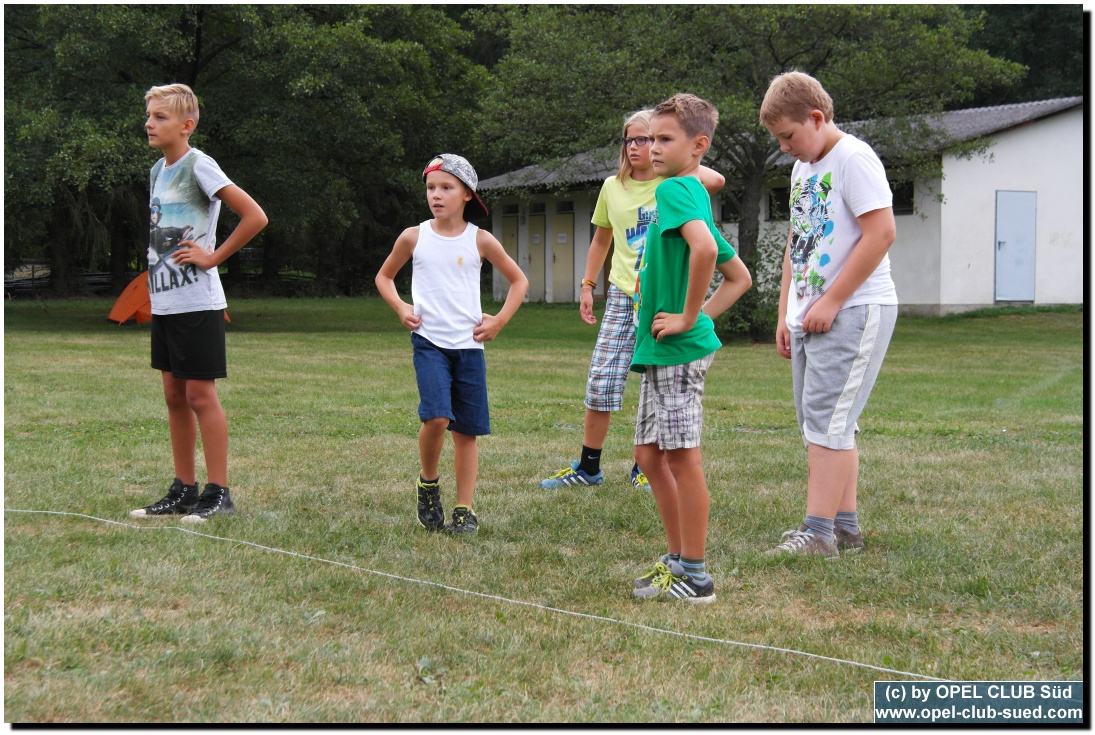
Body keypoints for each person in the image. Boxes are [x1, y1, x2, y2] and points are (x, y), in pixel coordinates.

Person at [540, 109, 726, 491]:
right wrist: (587, 285)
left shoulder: (672, 183)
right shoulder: (612, 187)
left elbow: (716, 179)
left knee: (654, 382)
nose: (642, 147)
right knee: (601, 379)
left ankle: (646, 467)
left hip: (658, 299)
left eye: (651, 138)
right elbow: (601, 239)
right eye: (633, 140)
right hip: (625, 294)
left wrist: (679, 159)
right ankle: (588, 467)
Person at [759, 71, 898, 557]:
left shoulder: (853, 159)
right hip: (811, 315)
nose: (784, 148)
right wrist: (786, 313)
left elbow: (881, 233)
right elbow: (797, 246)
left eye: (788, 136)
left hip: (855, 309)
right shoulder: (803, 169)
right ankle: (845, 529)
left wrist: (833, 299)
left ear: (816, 118)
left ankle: (817, 534)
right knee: (825, 421)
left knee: (828, 421)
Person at [628, 94, 752, 602]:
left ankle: (696, 576)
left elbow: (705, 251)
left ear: (698, 146)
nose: (651, 148)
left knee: (680, 458)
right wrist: (701, 317)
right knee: (649, 455)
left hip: (676, 351)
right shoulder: (688, 189)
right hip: (663, 352)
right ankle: (677, 558)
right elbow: (738, 276)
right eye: (648, 139)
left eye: (664, 139)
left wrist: (687, 317)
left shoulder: (679, 190)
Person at [130, 84, 268, 523]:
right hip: (165, 303)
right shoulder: (157, 171)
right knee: (173, 394)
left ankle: (218, 492)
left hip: (197, 303)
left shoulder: (199, 165)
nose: (150, 123)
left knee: (199, 395)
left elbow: (255, 216)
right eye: (149, 115)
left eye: (160, 117)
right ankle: (184, 490)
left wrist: (212, 258)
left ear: (186, 126)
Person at [375, 154, 529, 534]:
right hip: (429, 342)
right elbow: (384, 276)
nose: (436, 195)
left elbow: (519, 281)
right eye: (431, 188)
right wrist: (399, 306)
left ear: (466, 195)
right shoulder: (414, 236)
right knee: (437, 417)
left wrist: (500, 320)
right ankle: (428, 483)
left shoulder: (480, 239)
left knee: (465, 433)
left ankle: (464, 508)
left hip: (469, 347)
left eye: (446, 188)